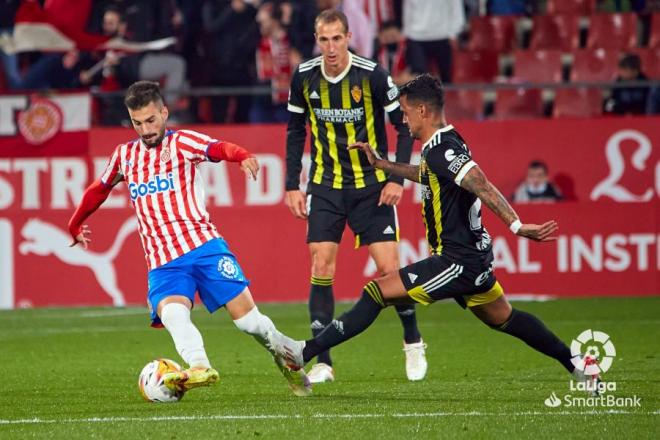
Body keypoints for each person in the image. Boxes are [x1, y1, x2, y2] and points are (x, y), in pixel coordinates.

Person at [271, 74, 600, 391]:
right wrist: (385, 166)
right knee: (505, 319)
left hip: (456, 261)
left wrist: (516, 225)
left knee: (377, 292)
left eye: (404, 112)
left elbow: (480, 183)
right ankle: (577, 365)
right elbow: (429, 173)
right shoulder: (443, 144)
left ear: (422, 111)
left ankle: (305, 352)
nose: (402, 119)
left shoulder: (443, 149)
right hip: (470, 257)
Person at [67, 81, 311, 397]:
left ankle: (286, 356)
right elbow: (99, 189)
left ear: (164, 113)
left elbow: (217, 148)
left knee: (250, 324)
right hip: (163, 261)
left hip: (204, 248)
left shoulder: (183, 142)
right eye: (137, 123)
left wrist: (242, 155)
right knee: (171, 314)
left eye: (151, 120)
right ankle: (199, 366)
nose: (146, 129)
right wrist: (75, 223)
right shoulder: (124, 156)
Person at [285, 10, 427, 384]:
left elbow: (404, 126)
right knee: (321, 266)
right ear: (317, 40)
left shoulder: (373, 75)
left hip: (373, 186)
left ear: (349, 37)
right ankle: (323, 362)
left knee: (389, 271)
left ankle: (412, 341)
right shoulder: (303, 76)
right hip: (326, 184)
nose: (331, 47)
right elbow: (295, 131)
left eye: (337, 38)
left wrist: (397, 178)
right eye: (324, 39)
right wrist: (291, 185)